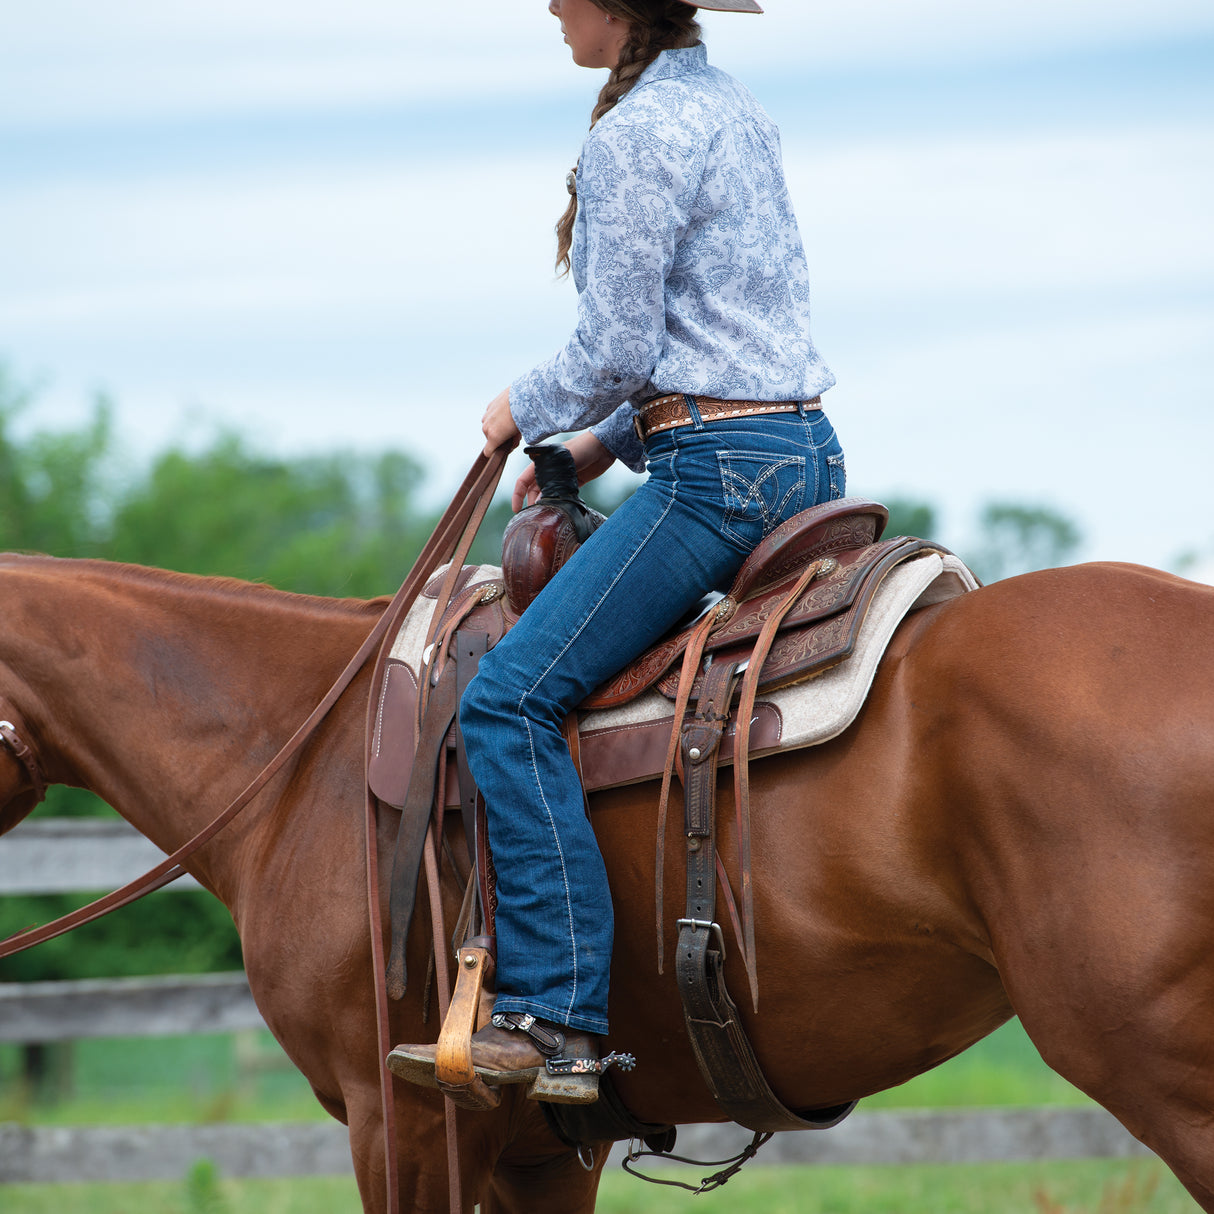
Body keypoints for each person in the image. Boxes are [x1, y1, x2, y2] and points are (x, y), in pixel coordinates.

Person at [388, 0, 845, 1105]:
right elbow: (727, 334)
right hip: (803, 449)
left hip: (715, 477)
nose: (547, 6)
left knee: (507, 700)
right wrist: (599, 441)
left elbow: (618, 344)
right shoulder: (735, 109)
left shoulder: (632, 134)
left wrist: (521, 405)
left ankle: (555, 1018)